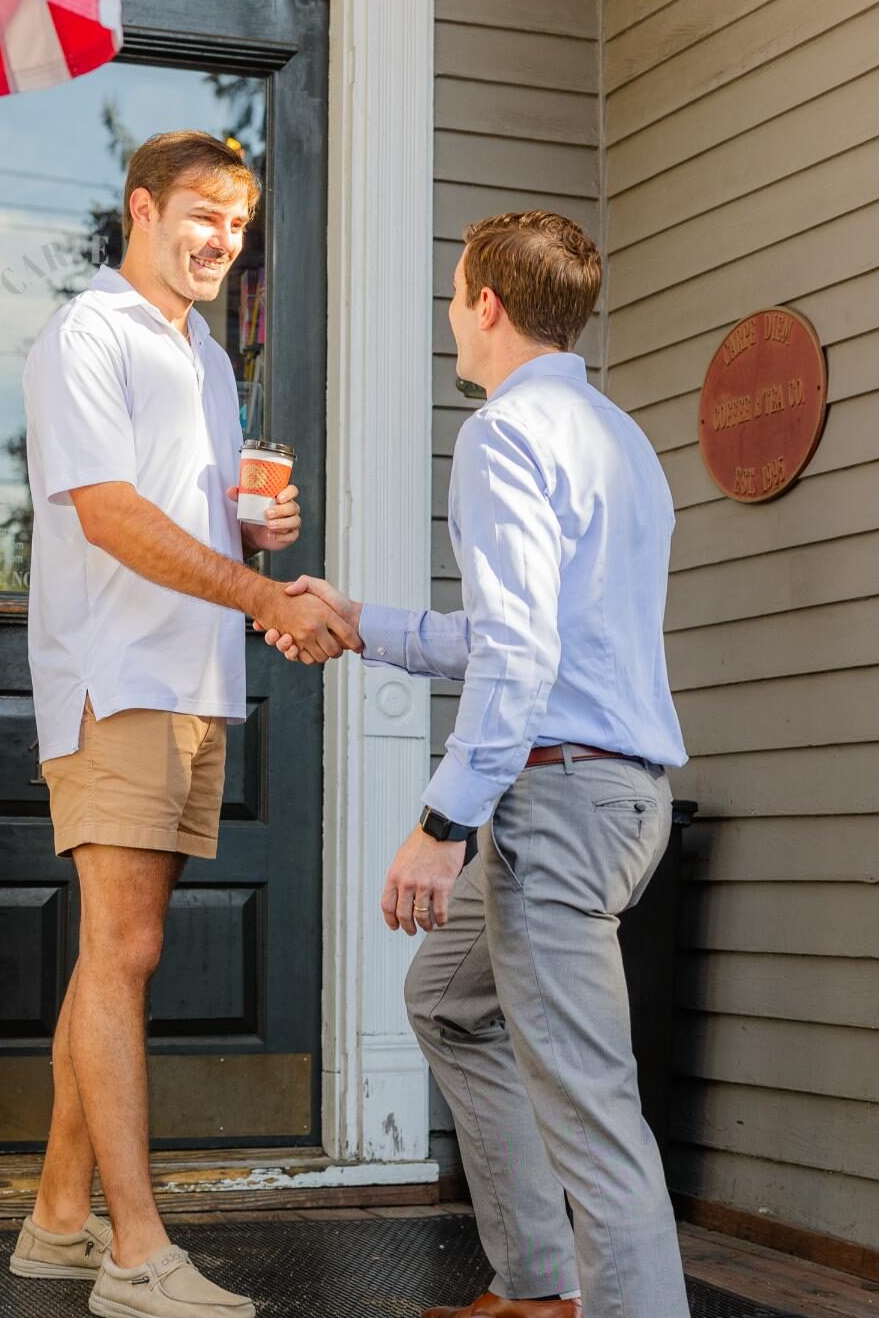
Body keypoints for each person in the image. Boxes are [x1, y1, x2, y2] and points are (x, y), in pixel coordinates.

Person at [266, 211, 690, 1318]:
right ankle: (541, 1287)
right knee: (449, 1001)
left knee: (591, 1108)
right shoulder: (618, 439)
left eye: (455, 295)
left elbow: (516, 654)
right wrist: (361, 622)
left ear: (486, 306)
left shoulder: (504, 435)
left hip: (553, 799)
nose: (451, 314)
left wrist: (440, 826)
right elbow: (525, 633)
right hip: (610, 793)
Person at [10, 130, 358, 1318]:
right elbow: (106, 516)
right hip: (117, 676)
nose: (223, 241)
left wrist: (248, 532)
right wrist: (259, 593)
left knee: (121, 948)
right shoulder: (88, 336)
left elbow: (171, 511)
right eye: (204, 215)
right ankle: (135, 1253)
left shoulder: (204, 354)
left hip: (193, 677)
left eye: (239, 225)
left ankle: (58, 1221)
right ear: (141, 209)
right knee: (123, 950)